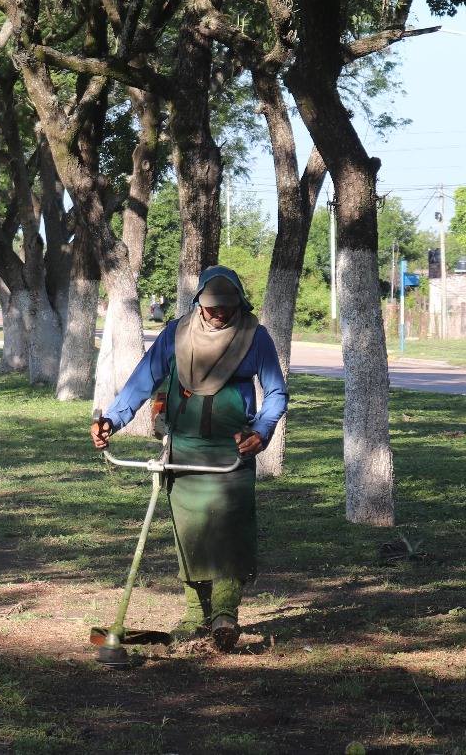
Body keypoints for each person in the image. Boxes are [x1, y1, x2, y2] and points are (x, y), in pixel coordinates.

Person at [90, 266, 287, 651]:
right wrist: (111, 419)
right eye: (212, 306)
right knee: (191, 535)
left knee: (229, 532)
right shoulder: (176, 334)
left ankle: (225, 614)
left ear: (239, 303)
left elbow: (276, 392)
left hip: (232, 450)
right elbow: (141, 382)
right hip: (184, 449)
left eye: (227, 307)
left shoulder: (253, 336)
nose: (219, 314)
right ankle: (195, 618)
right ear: (199, 302)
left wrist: (261, 432)